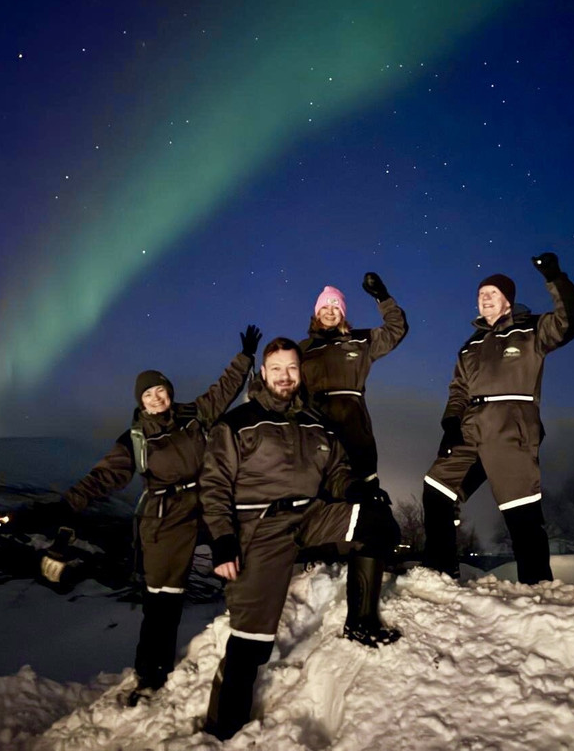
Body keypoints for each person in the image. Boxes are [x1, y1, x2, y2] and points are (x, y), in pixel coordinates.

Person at [39, 325, 261, 706]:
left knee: (247, 549)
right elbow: (105, 475)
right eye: (148, 394)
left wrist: (244, 358)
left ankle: (260, 616)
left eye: (160, 390)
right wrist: (69, 502)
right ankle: (149, 673)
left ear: (169, 392)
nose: (157, 398)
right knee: (163, 600)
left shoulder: (193, 414)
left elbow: (223, 391)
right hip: (165, 517)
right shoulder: (135, 438)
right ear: (140, 402)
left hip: (208, 503)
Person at [199, 337, 401, 740]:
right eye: (277, 368)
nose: (285, 376)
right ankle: (222, 730)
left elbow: (337, 471)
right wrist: (222, 540)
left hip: (310, 515)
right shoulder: (238, 423)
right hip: (261, 528)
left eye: (292, 368)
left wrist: (355, 490)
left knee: (376, 523)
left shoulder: (316, 422)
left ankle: (361, 622)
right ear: (263, 374)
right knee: (251, 642)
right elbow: (214, 485)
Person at [422, 252, 574, 584]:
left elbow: (572, 318)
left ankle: (536, 585)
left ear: (508, 303)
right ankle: (440, 573)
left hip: (511, 425)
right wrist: (451, 422)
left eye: (492, 293)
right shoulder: (470, 345)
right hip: (470, 426)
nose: (484, 297)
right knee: (436, 489)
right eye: (481, 293)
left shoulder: (532, 329)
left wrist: (555, 277)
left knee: (521, 510)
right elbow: (458, 388)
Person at [299, 273, 408, 498]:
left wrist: (382, 297)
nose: (330, 312)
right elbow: (280, 378)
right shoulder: (303, 349)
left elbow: (396, 329)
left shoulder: (360, 340)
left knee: (362, 489)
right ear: (316, 312)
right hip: (315, 424)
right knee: (320, 491)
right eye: (325, 307)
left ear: (342, 313)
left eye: (335, 307)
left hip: (353, 425)